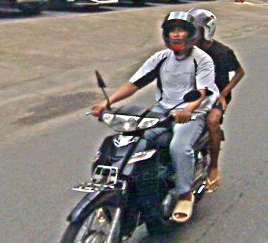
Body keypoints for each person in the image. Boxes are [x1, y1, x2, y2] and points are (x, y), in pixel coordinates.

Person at [91, 11, 219, 223]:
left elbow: (203, 92)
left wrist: (188, 110)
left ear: (191, 33)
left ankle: (185, 193)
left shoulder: (202, 60)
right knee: (134, 142)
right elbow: (134, 84)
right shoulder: (161, 58)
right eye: (172, 30)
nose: (176, 34)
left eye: (181, 30)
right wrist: (107, 103)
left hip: (190, 113)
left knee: (179, 146)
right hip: (162, 111)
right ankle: (122, 189)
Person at [188, 8, 245, 193]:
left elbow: (239, 72)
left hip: (217, 95)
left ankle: (213, 167)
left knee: (212, 121)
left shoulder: (222, 52)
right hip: (195, 93)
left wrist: (223, 94)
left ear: (206, 32)